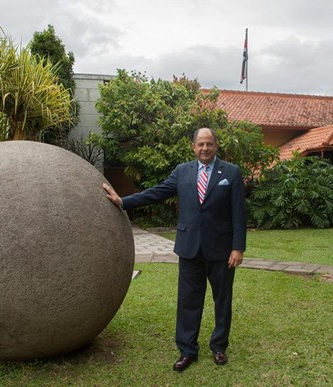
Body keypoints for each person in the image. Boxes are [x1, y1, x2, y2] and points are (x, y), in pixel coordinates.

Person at [103, 127, 247, 372]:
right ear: (193, 147)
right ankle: (187, 350)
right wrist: (123, 201)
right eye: (200, 144)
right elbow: (156, 192)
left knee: (222, 300)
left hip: (221, 250)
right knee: (188, 301)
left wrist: (237, 248)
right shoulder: (182, 172)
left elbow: (238, 213)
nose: (204, 148)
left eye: (209, 144)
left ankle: (219, 346)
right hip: (189, 247)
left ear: (216, 146)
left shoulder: (231, 173)